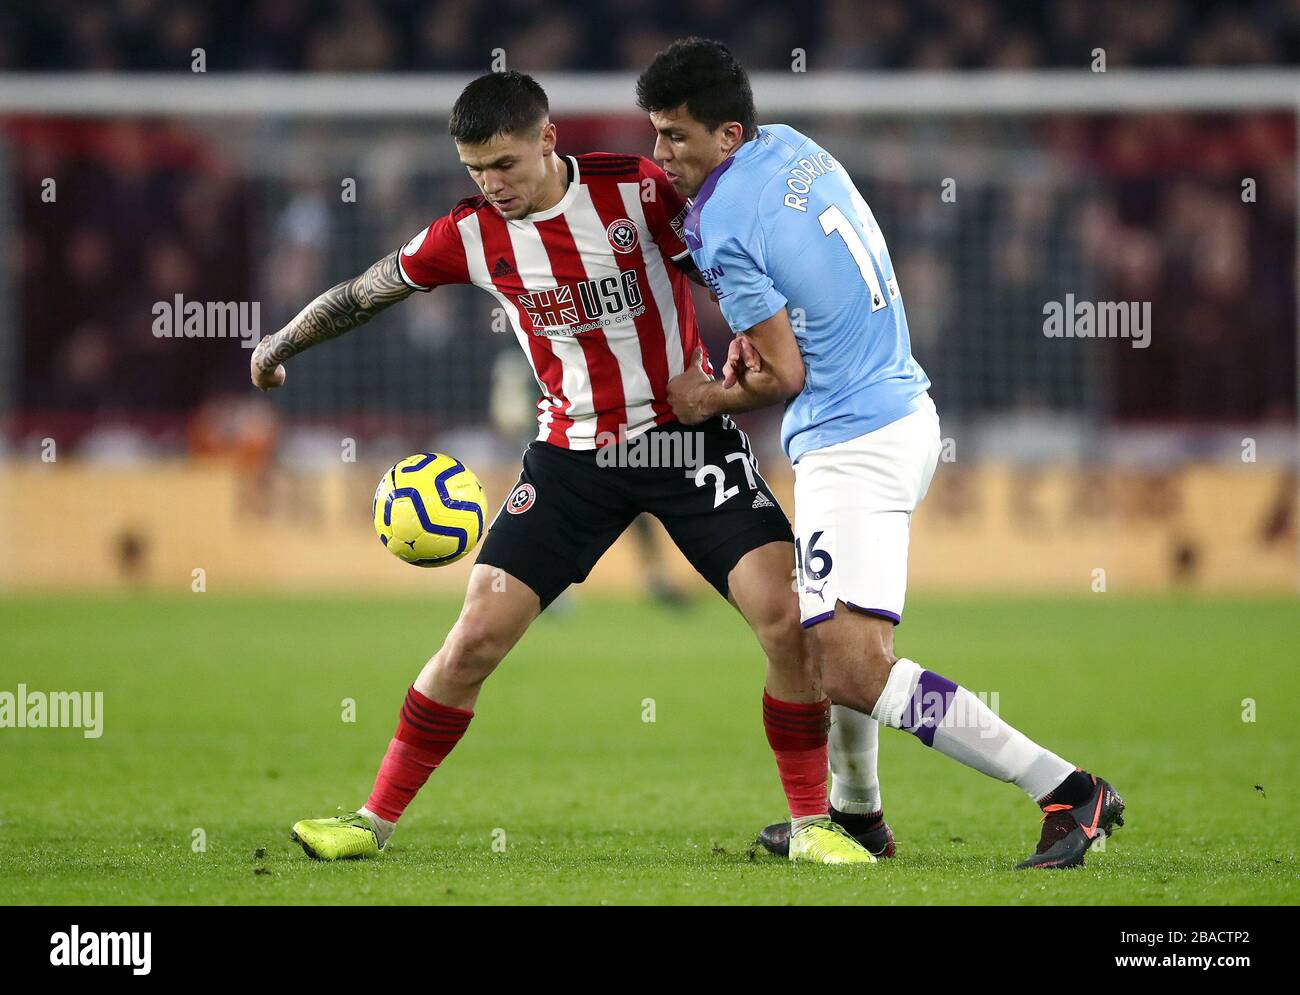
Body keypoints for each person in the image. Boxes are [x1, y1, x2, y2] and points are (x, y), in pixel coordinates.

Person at [254, 71, 878, 864]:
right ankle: (369, 821)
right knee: (476, 635)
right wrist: (278, 345)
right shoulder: (469, 233)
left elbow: (730, 264)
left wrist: (755, 343)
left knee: (788, 622)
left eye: (506, 164)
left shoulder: (640, 193)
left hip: (685, 443)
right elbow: (365, 291)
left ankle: (813, 823)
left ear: (549, 139)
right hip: (570, 458)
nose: (493, 185)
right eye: (476, 169)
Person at [642, 38, 1125, 869]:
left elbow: (785, 371)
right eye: (654, 134)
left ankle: (1068, 789)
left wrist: (708, 397)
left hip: (852, 440)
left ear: (726, 136)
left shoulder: (720, 224)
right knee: (836, 630)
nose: (662, 156)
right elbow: (810, 282)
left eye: (676, 138)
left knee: (851, 666)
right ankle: (856, 815)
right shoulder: (793, 148)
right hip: (899, 408)